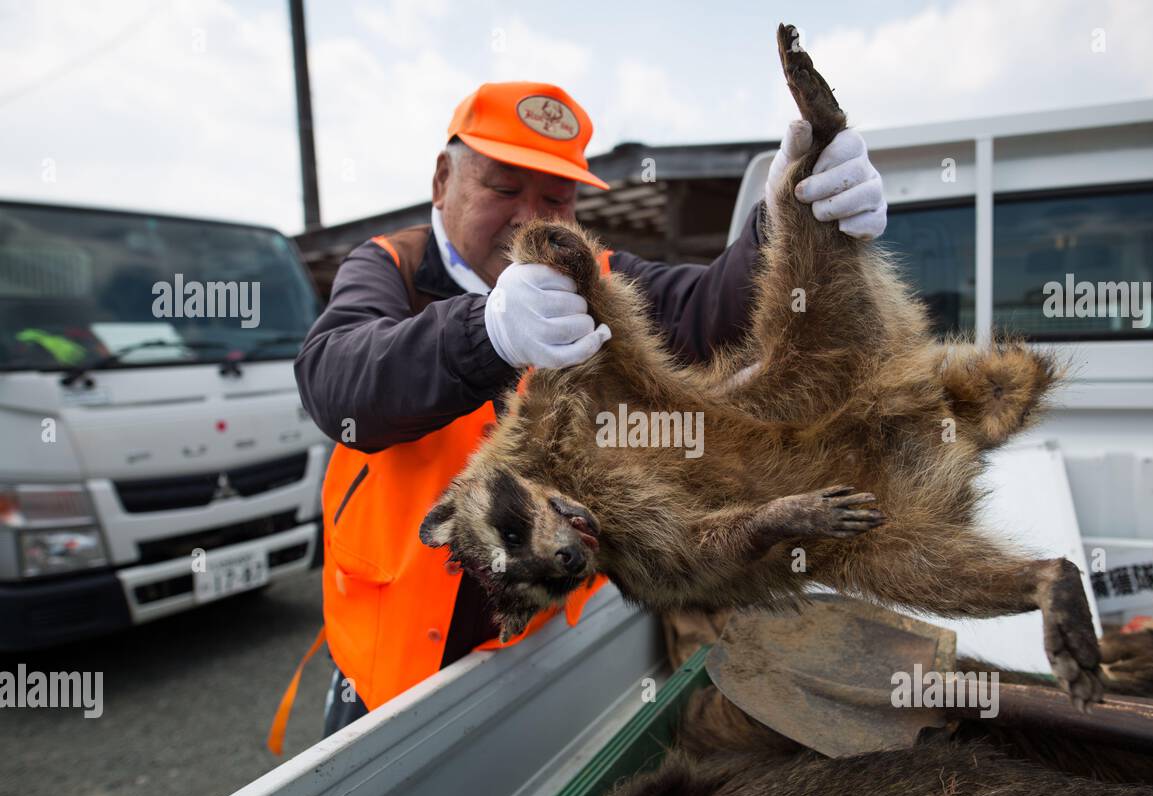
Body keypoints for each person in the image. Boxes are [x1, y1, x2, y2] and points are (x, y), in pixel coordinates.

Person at [268, 80, 888, 749]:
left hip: (541, 651)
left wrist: (786, 220)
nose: (528, 217)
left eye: (555, 198)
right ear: (443, 178)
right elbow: (334, 380)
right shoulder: (392, 266)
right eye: (504, 188)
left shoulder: (595, 275)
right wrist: (488, 331)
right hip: (390, 670)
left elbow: (712, 309)